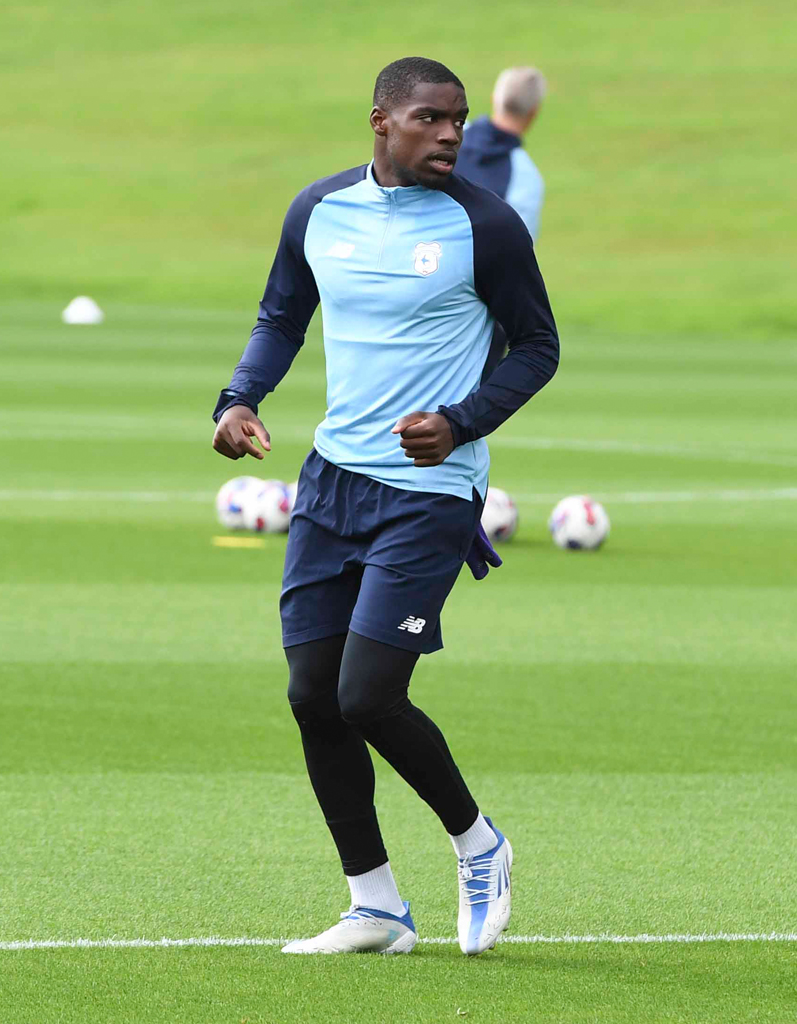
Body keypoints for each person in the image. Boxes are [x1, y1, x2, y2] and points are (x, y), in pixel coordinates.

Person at [211, 56, 559, 956]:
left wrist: (460, 421)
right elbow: (282, 315)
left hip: (431, 492)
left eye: (460, 119)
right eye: (431, 119)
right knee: (310, 697)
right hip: (331, 483)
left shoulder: (488, 225)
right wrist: (239, 398)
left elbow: (536, 346)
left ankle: (479, 845)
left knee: (366, 693)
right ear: (380, 121)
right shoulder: (317, 211)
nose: (451, 134)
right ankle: (375, 905)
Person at [454, 66, 547, 242]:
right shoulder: (526, 178)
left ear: (494, 99)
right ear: (533, 112)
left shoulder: (445, 136)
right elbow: (518, 250)